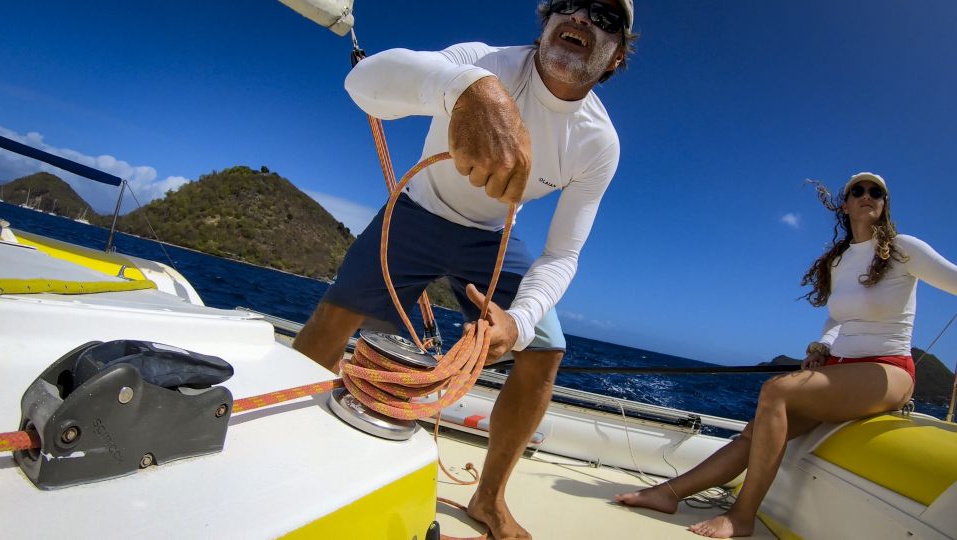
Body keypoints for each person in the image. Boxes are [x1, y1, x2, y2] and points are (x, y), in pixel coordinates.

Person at [293, 1, 638, 538]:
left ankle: (489, 498)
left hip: (492, 239)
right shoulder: (483, 61)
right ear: (546, 22)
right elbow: (364, 83)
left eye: (606, 17)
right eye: (568, 4)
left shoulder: (598, 143)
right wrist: (466, 89)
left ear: (616, 55)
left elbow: (563, 255)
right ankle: (285, 446)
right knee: (335, 318)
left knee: (544, 350)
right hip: (416, 212)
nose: (583, 18)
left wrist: (518, 323)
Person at [614, 172, 957, 538]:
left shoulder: (905, 249)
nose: (868, 195)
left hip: (888, 371)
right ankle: (668, 493)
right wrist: (821, 347)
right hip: (840, 368)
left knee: (777, 390)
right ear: (845, 204)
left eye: (878, 192)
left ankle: (742, 515)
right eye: (858, 190)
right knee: (754, 433)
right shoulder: (841, 262)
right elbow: (837, 318)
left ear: (885, 204)